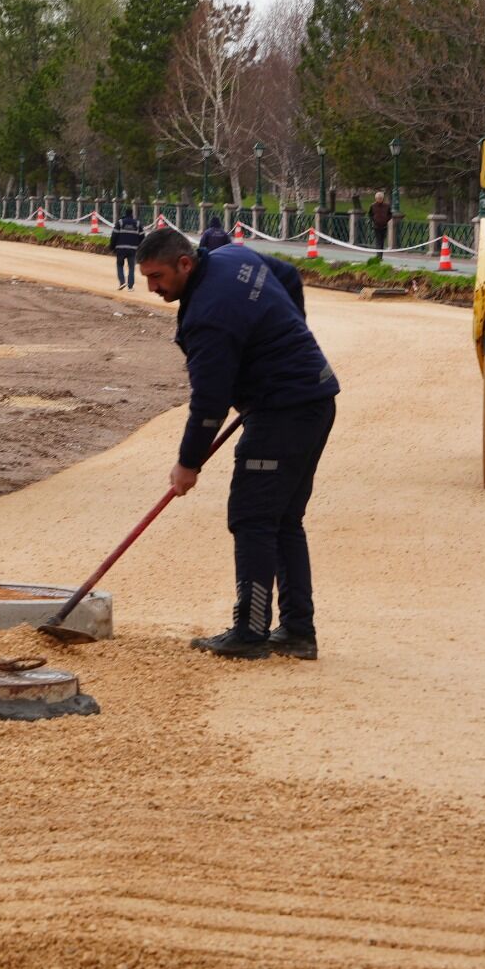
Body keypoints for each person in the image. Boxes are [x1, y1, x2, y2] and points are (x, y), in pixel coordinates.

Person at [136, 224, 339, 662]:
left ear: (185, 263)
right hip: (315, 399)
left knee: (253, 518)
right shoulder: (233, 257)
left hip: (282, 409)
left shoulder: (207, 317)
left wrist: (188, 463)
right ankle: (298, 631)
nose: (151, 287)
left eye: (158, 277)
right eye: (147, 278)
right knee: (283, 519)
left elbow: (209, 402)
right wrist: (283, 340)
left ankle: (250, 631)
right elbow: (287, 276)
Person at [110, 209, 144, 289]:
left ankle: (122, 282)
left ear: (125, 214)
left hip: (120, 249)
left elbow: (114, 236)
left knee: (119, 265)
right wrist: (141, 249)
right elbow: (142, 238)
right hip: (133, 250)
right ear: (132, 214)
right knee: (131, 267)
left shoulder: (120, 222)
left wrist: (112, 247)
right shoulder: (138, 224)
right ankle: (130, 286)